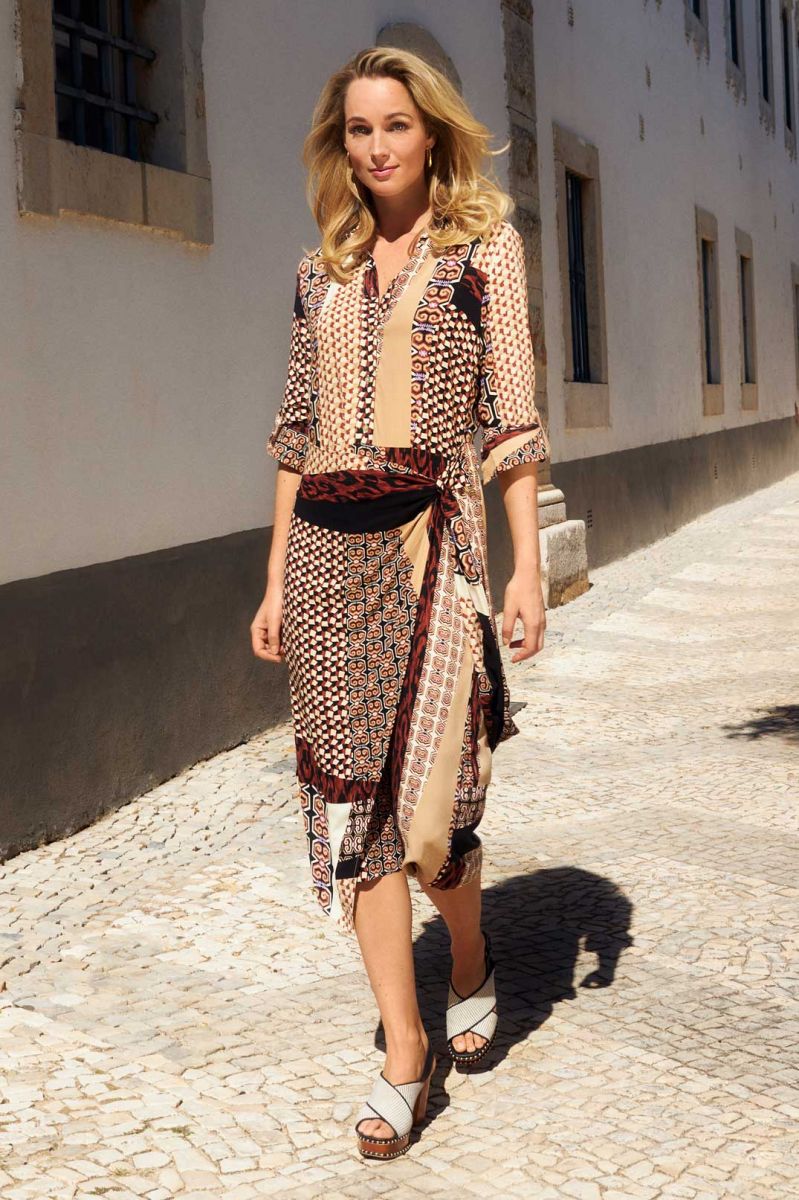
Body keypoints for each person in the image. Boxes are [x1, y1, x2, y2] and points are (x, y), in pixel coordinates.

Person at [250, 45, 550, 1160]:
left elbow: (511, 421)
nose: (377, 147)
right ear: (342, 146)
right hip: (326, 564)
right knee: (356, 818)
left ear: (431, 134)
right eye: (359, 129)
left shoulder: (484, 251)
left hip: (433, 553)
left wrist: (525, 568)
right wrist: (274, 580)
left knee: (433, 821)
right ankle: (405, 1053)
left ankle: (467, 951)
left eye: (395, 125)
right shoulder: (317, 273)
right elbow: (294, 437)